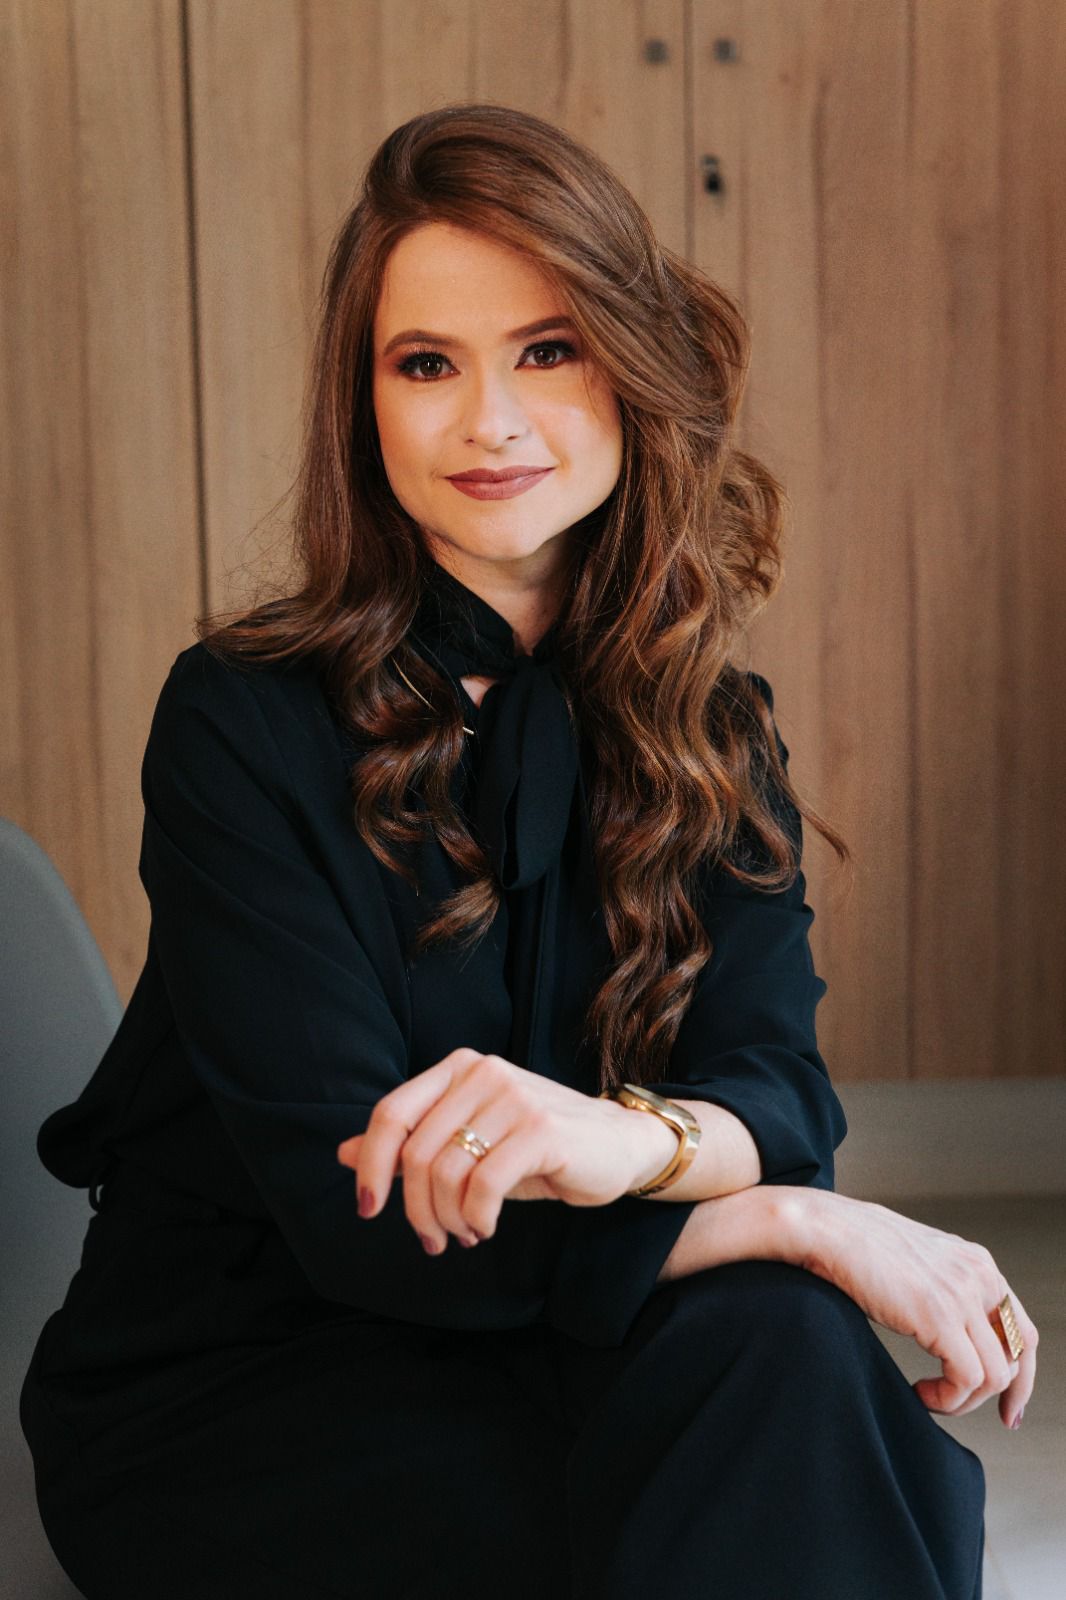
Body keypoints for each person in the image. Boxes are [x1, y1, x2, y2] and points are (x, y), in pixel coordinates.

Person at [20, 102, 1035, 1600]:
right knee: (778, 1452)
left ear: (631, 365)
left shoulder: (708, 724)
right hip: (264, 1381)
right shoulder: (240, 718)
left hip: (563, 1326)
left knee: (783, 1357)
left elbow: (776, 1094)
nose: (488, 422)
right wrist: (768, 1212)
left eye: (546, 350)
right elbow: (360, 1217)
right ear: (362, 405)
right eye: (426, 364)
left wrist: (632, 1144)